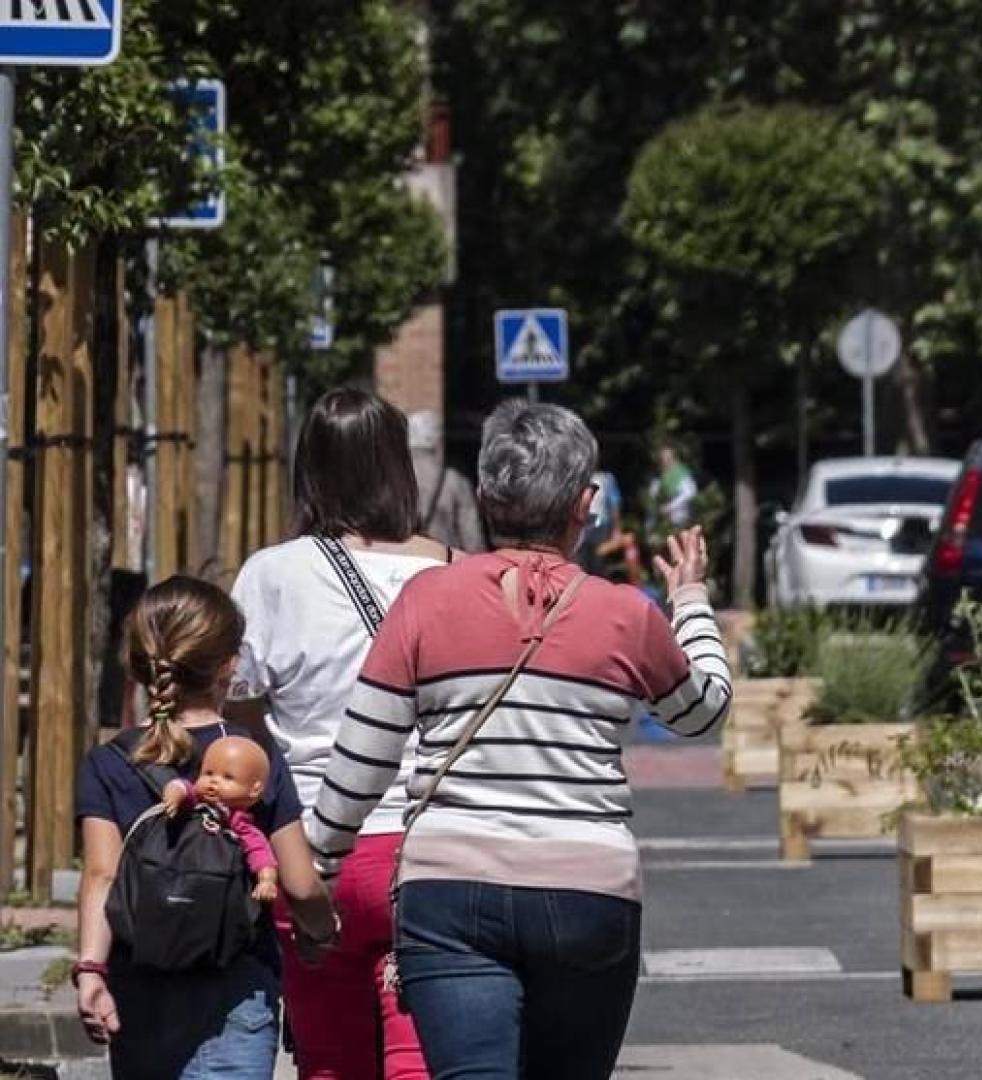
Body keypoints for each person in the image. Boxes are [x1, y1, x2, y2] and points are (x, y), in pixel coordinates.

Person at [308, 401, 731, 1079]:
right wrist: (690, 601)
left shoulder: (424, 601)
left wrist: (320, 866)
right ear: (586, 504)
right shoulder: (625, 614)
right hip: (586, 889)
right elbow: (703, 714)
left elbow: (362, 759)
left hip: (450, 890)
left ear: (482, 496)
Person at [226, 388, 451, 1080]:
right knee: (422, 1059)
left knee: (328, 1060)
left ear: (310, 470)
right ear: (399, 469)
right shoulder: (455, 571)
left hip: (312, 854)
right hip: (429, 848)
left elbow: (239, 721)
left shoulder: (271, 575)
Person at [75, 577, 338, 1080]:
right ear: (228, 666)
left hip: (140, 987)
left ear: (139, 663)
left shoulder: (108, 763)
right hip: (235, 986)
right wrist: (322, 930)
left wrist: (91, 970)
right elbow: (301, 882)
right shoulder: (254, 756)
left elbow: (102, 875)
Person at [160, 736, 281, 902]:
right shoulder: (196, 801)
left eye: (228, 777)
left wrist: (266, 880)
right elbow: (182, 787)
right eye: (208, 773)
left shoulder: (239, 824)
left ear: (254, 790)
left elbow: (260, 853)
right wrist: (173, 795)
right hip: (176, 869)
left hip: (214, 884)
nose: (213, 781)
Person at [409, 409, 485, 554]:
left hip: (404, 561)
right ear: (438, 440)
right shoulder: (454, 480)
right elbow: (472, 538)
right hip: (445, 560)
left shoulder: (392, 478)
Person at [647, 443, 698, 532]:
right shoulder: (659, 476)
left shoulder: (682, 472)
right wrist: (649, 524)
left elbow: (690, 493)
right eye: (663, 458)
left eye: (668, 458)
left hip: (683, 518)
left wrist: (670, 507)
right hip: (664, 522)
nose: (665, 461)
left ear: (674, 458)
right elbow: (651, 499)